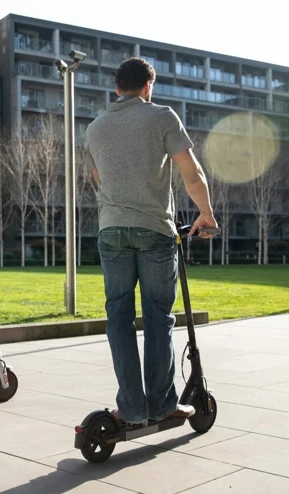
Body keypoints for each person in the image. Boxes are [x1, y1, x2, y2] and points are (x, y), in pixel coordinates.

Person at [84, 57, 218, 427]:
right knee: (158, 317)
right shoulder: (162, 116)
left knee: (119, 318)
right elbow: (192, 173)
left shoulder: (94, 128)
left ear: (116, 88)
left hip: (111, 232)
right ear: (148, 87)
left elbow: (97, 179)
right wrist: (205, 213)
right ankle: (161, 404)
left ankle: (131, 406)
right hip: (154, 230)